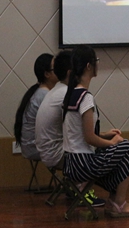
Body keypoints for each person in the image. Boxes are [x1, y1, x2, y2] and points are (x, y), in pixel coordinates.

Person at [62, 45, 129, 218]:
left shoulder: (72, 94)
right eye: (96, 61)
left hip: (71, 162)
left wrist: (106, 135)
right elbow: (89, 138)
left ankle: (115, 201)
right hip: (83, 164)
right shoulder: (85, 98)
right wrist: (111, 142)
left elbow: (80, 133)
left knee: (124, 148)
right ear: (88, 66)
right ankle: (119, 203)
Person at [35, 50, 105, 207]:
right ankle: (84, 192)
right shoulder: (67, 93)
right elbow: (83, 133)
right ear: (70, 72)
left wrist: (103, 135)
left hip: (48, 151)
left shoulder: (57, 90)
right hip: (57, 153)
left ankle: (75, 188)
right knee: (98, 148)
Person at [14, 53, 57, 160]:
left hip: (31, 147)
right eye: (56, 68)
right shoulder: (44, 95)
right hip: (36, 148)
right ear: (47, 74)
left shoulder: (39, 91)